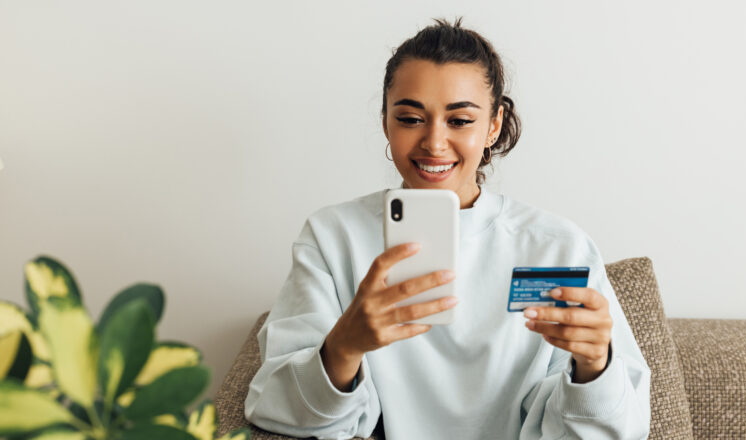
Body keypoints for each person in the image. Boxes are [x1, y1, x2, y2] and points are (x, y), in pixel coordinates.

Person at [245, 17, 651, 440]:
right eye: (410, 118)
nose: (434, 143)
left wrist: (594, 368)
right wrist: (343, 347)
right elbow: (275, 405)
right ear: (386, 122)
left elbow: (624, 427)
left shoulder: (557, 247)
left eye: (459, 121)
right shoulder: (333, 236)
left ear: (493, 126)